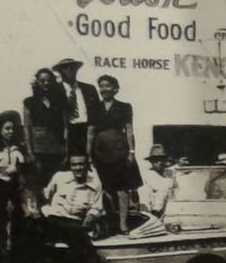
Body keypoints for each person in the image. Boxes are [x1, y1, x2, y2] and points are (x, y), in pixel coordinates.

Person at [90, 74, 143, 234]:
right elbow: (90, 133)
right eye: (101, 86)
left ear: (115, 88)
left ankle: (123, 223)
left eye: (107, 85)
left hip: (120, 151)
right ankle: (111, 221)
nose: (104, 89)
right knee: (105, 188)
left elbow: (129, 131)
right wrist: (89, 155)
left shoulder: (125, 106)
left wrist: (132, 152)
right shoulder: (94, 106)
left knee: (123, 189)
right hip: (100, 153)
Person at [0, 110, 30, 253]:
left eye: (13, 129)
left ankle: (15, 249)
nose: (11, 132)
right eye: (7, 129)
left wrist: (18, 169)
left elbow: (23, 169)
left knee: (18, 217)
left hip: (15, 186)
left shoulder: (18, 148)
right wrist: (2, 170)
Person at [23, 67, 66, 188]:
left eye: (49, 80)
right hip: (38, 150)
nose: (46, 83)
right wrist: (30, 151)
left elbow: (66, 127)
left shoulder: (60, 101)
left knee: (56, 181)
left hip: (57, 149)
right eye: (42, 81)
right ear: (37, 82)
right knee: (39, 181)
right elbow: (27, 127)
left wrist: (65, 150)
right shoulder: (29, 102)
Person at [53, 58, 101, 160]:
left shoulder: (89, 89)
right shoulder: (54, 90)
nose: (70, 69)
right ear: (60, 71)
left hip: (87, 131)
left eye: (73, 67)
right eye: (65, 67)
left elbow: (97, 114)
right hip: (66, 133)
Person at [139, 144, 174, 216]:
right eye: (156, 160)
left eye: (161, 159)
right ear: (151, 161)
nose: (159, 162)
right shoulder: (148, 171)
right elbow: (159, 185)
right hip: (149, 210)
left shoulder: (163, 172)